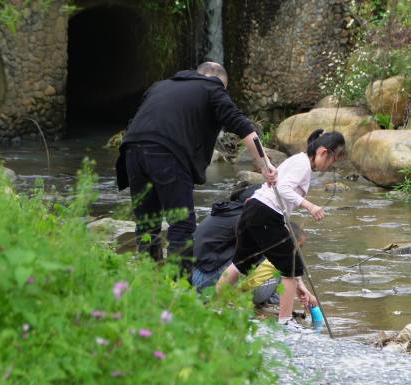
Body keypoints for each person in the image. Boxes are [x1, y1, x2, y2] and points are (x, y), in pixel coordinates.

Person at [115, 62, 276, 276]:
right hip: (168, 153)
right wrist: (266, 166)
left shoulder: (160, 86)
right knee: (181, 225)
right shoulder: (212, 88)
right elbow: (244, 127)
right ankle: (177, 287)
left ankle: (148, 283)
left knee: (147, 223)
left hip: (131, 150)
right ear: (221, 83)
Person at [217, 129, 345, 332]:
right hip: (265, 212)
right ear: (322, 152)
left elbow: (279, 193)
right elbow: (283, 188)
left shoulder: (298, 161)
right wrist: (310, 206)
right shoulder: (302, 165)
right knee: (292, 266)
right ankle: (285, 320)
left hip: (254, 209)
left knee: (242, 262)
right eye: (333, 159)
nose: (331, 166)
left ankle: (215, 307)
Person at [192, 183, 307, 307]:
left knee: (272, 252)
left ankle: (269, 301)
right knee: (276, 256)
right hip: (207, 282)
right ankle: (275, 304)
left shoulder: (228, 212)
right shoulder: (248, 219)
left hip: (196, 276)